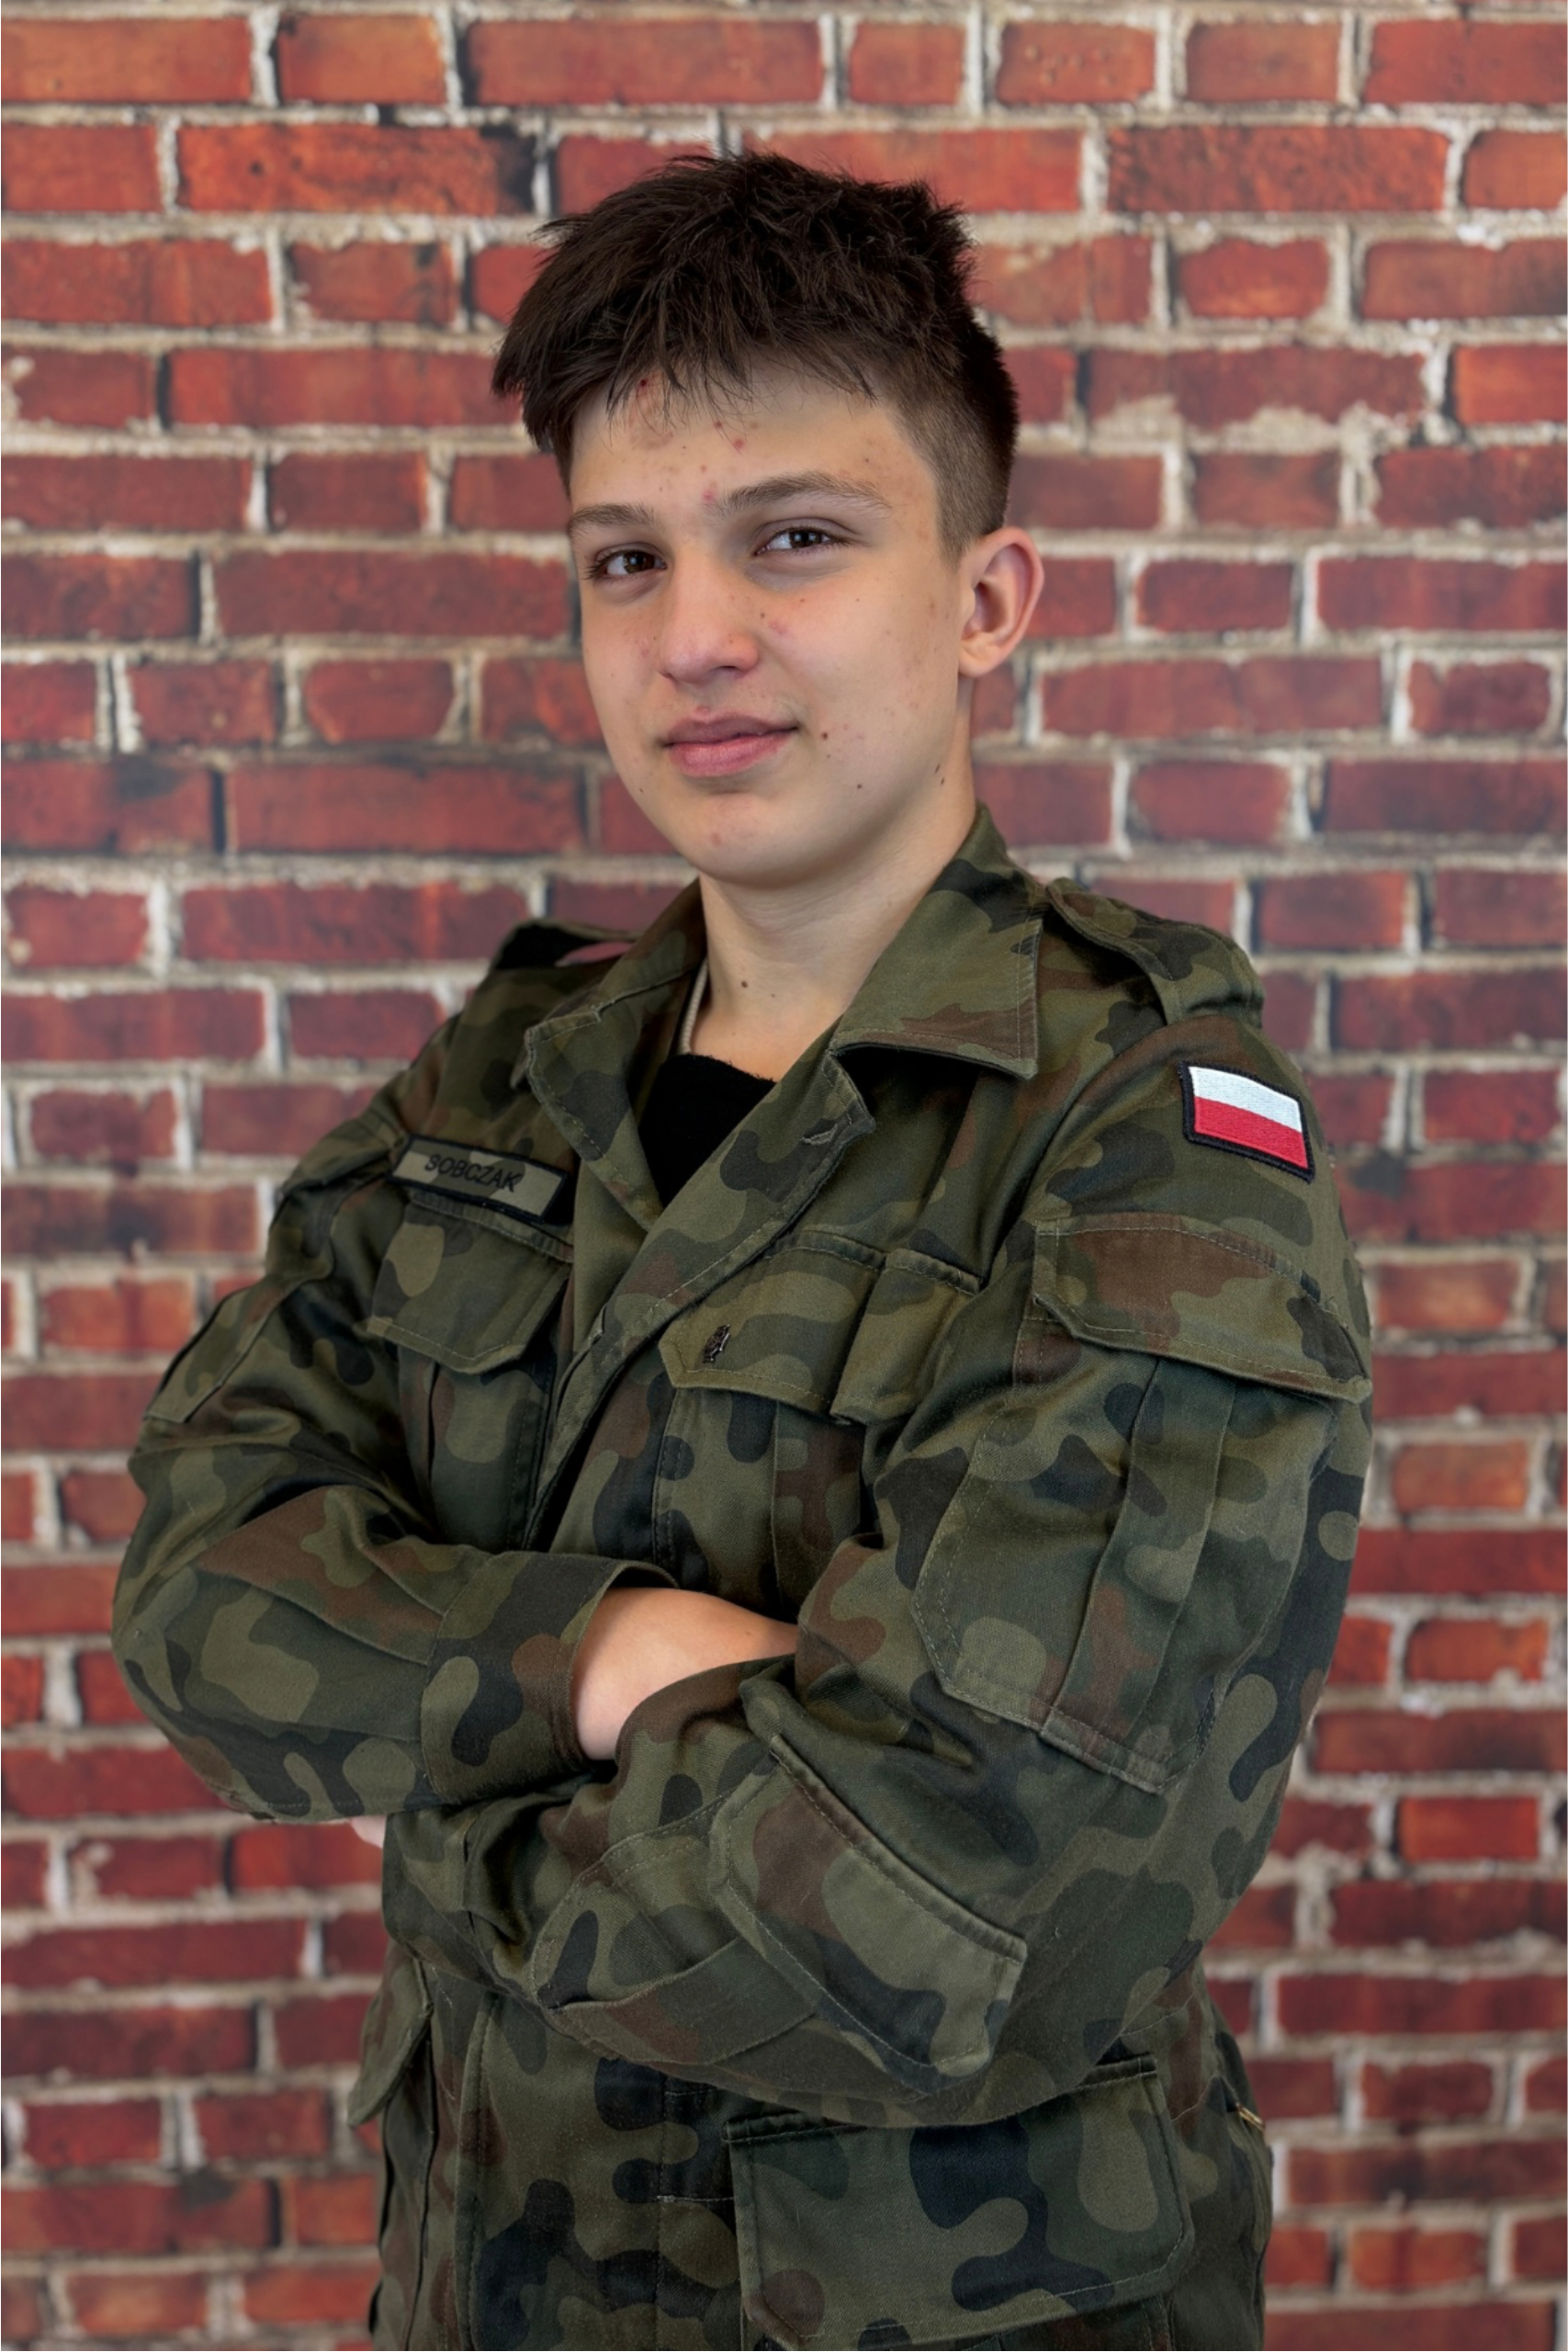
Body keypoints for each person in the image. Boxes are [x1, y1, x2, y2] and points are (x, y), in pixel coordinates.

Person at [114, 153, 1371, 2352]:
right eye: (625, 556)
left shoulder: (1139, 1135)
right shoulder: (503, 1084)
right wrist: (600, 1655)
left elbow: (944, 1902)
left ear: (982, 598)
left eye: (791, 536)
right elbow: (198, 1578)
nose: (691, 633)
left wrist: (442, 1810)